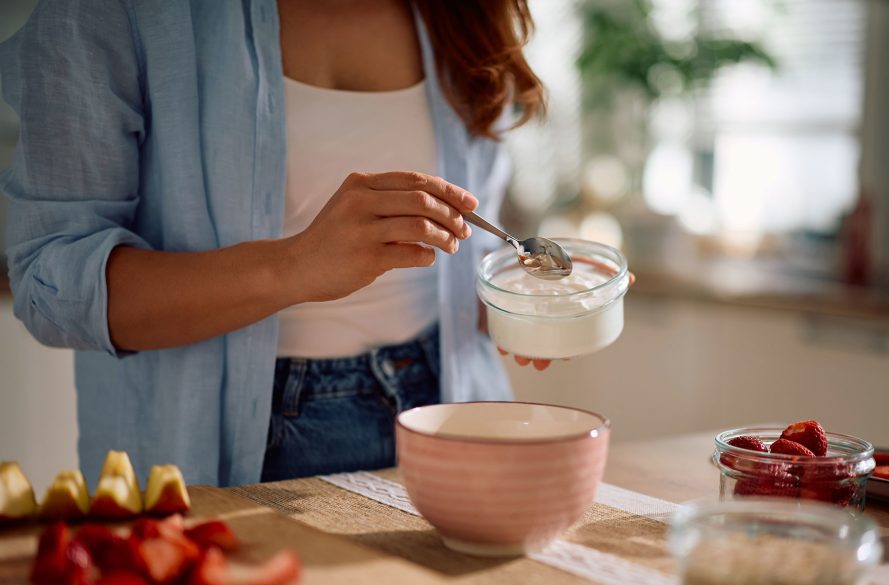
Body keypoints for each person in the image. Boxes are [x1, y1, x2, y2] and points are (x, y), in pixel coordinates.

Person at [0, 0, 546, 487]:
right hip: (224, 459)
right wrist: (294, 266)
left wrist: (517, 301)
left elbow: (466, 256)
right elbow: (51, 283)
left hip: (455, 420)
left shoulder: (468, 12)